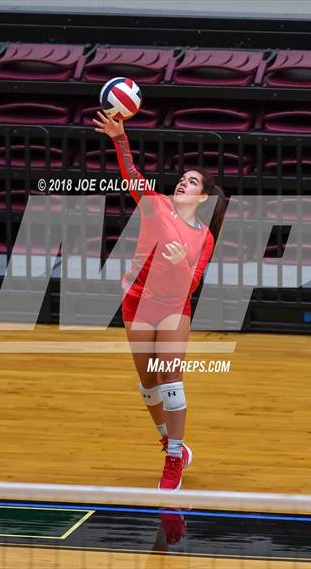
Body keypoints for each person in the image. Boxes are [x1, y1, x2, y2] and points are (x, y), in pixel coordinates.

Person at [93, 111, 226, 490]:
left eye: (192, 182)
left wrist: (180, 261)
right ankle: (170, 442)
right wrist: (120, 138)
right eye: (182, 178)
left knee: (171, 383)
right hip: (137, 303)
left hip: (172, 309)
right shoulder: (156, 205)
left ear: (202, 198)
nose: (183, 183)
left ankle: (173, 462)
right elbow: (131, 174)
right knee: (148, 386)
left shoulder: (204, 236)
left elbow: (192, 283)